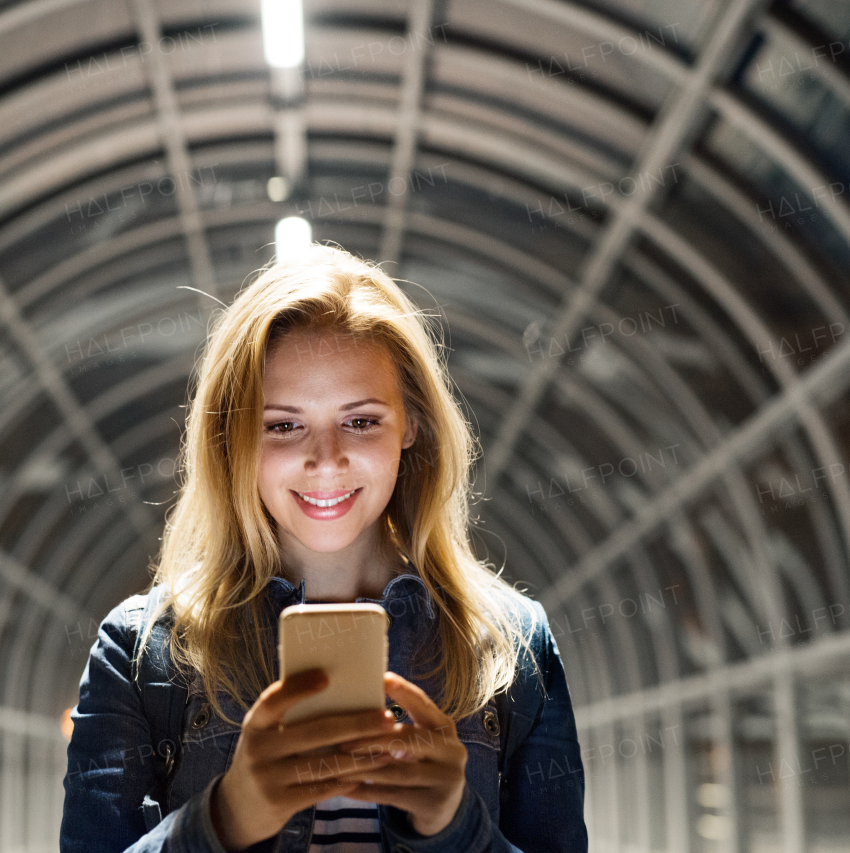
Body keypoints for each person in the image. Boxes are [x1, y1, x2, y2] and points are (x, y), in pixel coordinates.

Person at [61, 245, 587, 853]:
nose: (327, 459)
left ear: (411, 424)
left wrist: (455, 828)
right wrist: (225, 820)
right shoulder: (139, 653)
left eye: (361, 421)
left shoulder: (514, 647)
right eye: (283, 425)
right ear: (235, 439)